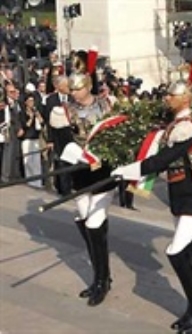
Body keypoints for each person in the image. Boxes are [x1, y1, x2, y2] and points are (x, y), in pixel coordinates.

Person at [112, 55, 192, 333]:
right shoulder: (174, 124)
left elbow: (163, 159)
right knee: (188, 253)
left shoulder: (189, 128)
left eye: (172, 95)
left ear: (185, 99)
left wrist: (131, 169)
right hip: (179, 194)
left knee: (176, 251)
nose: (166, 98)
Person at [50, 48, 115, 307]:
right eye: (71, 88)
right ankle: (100, 272)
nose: (73, 92)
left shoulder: (107, 105)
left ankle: (101, 278)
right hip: (79, 172)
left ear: (88, 85)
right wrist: (84, 156)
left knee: (94, 223)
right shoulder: (62, 111)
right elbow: (63, 143)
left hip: (103, 173)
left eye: (77, 88)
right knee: (85, 220)